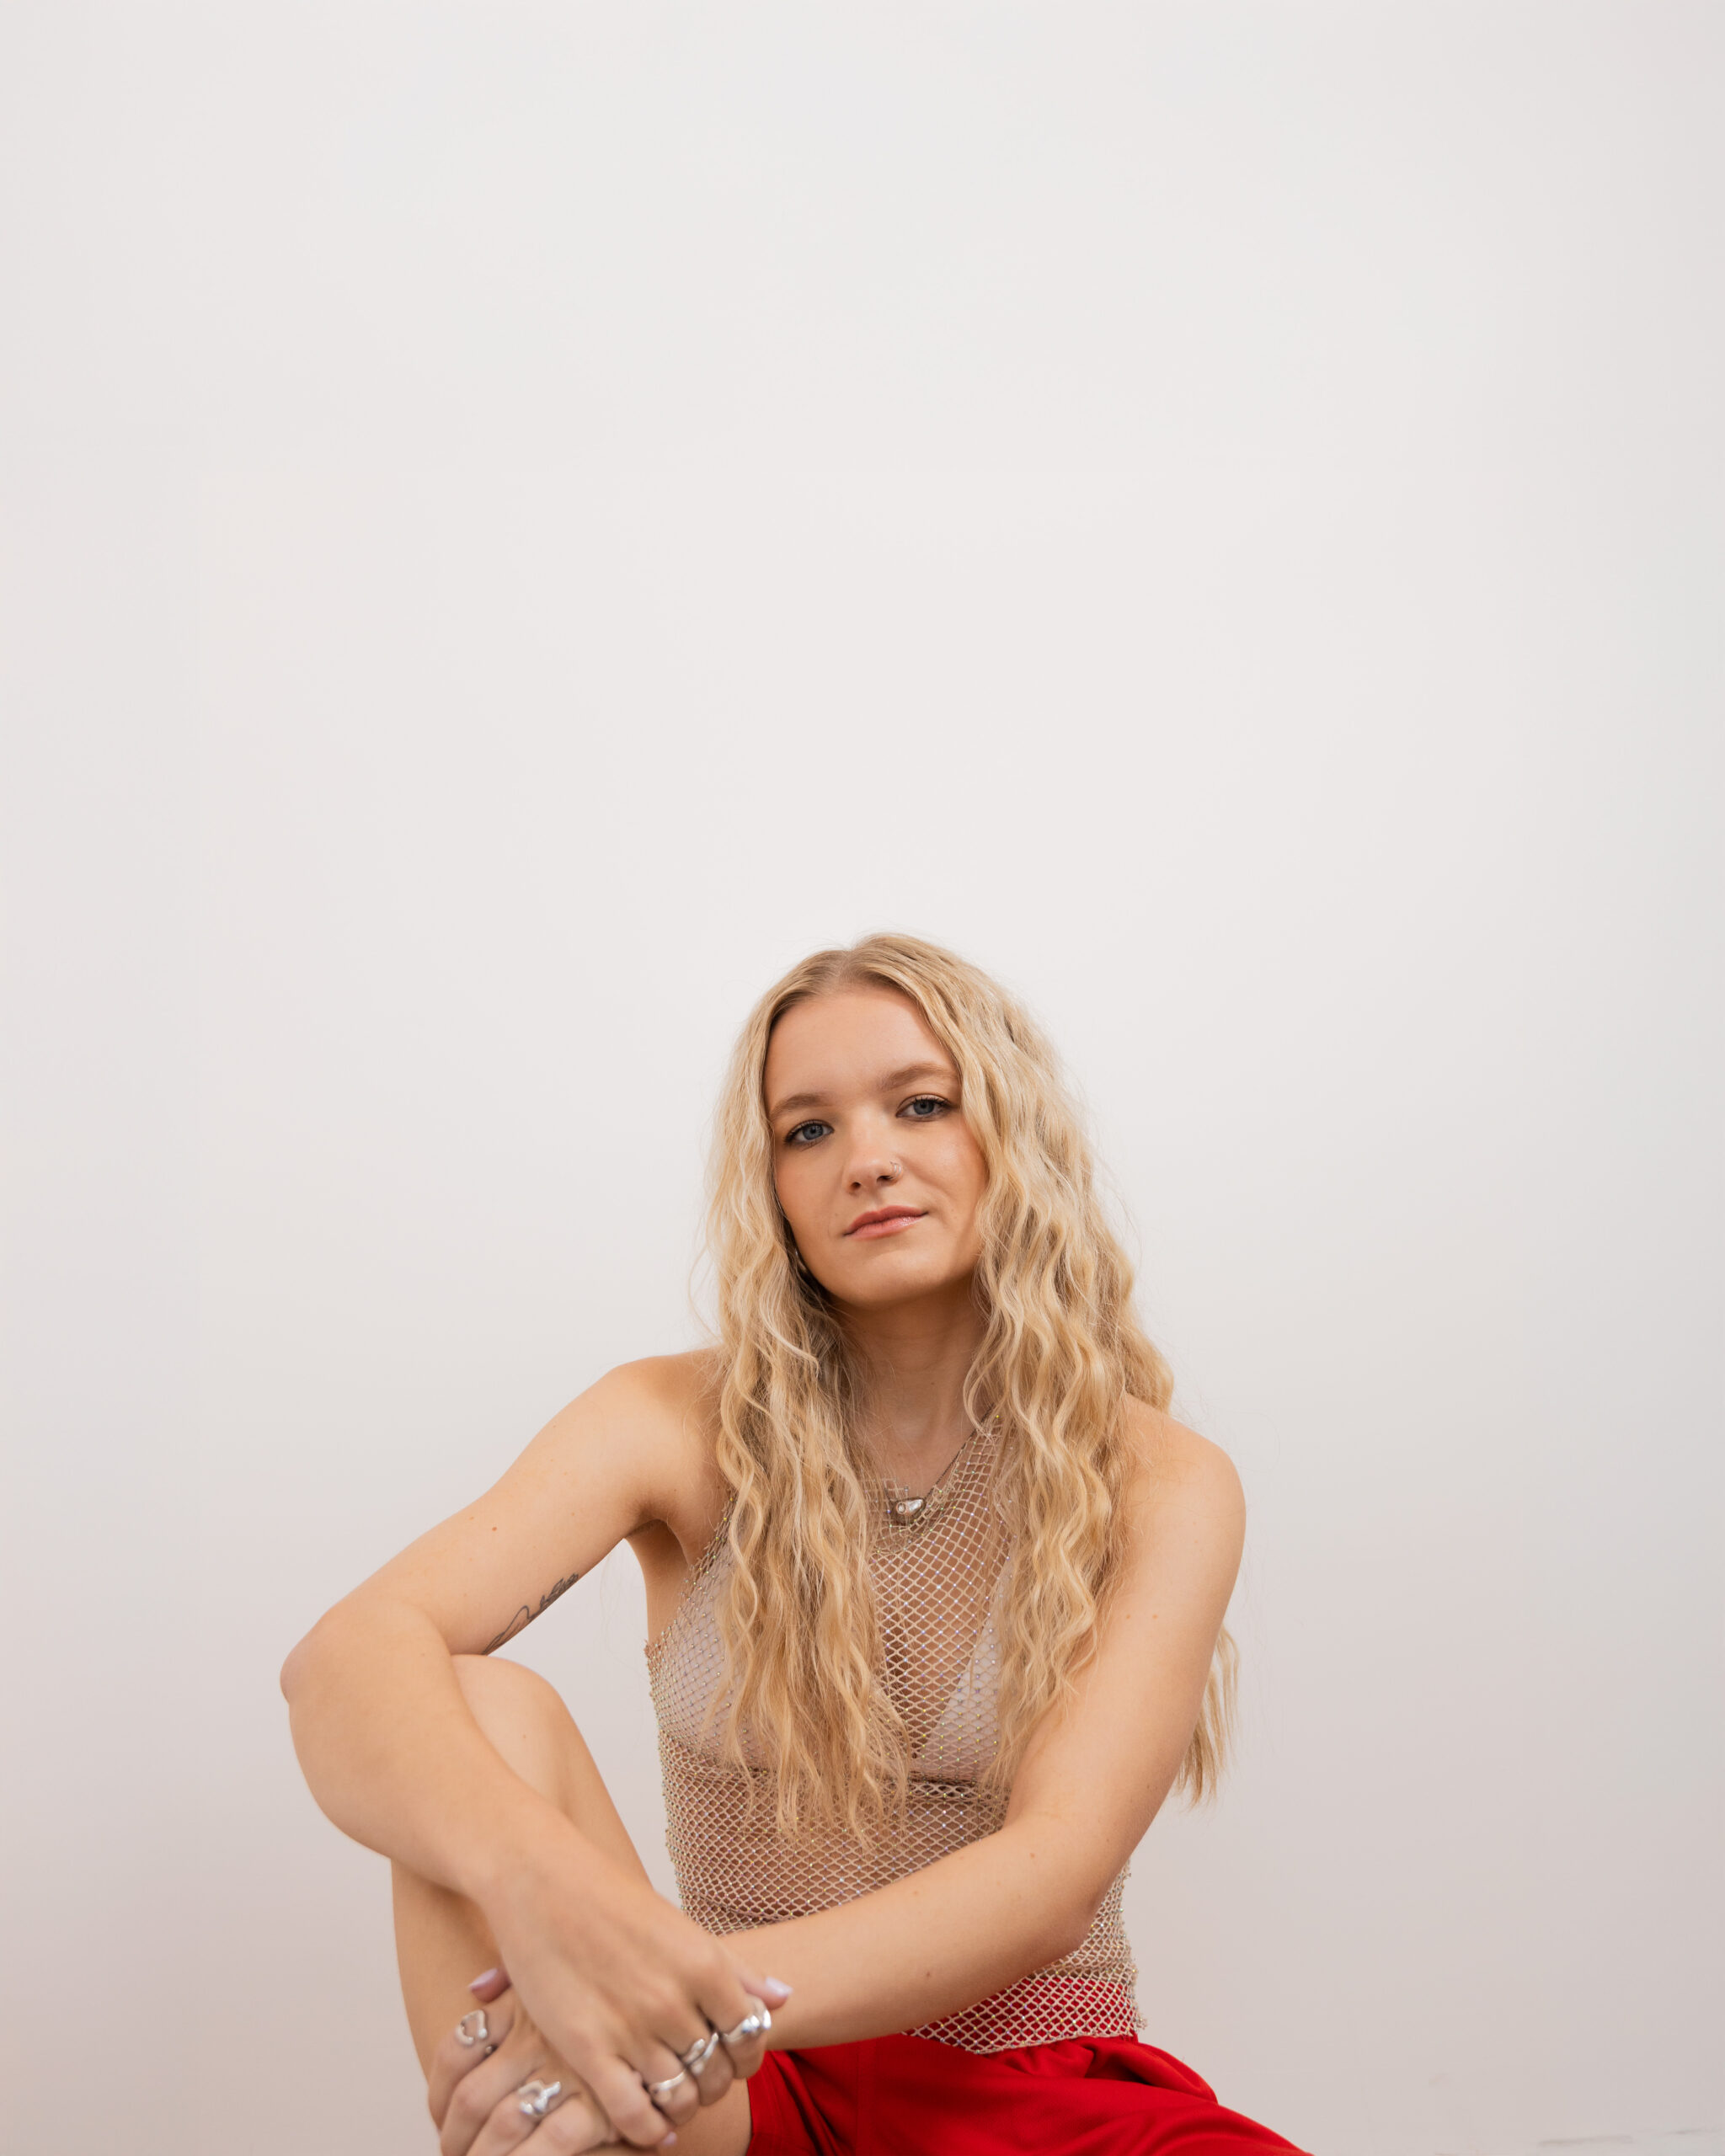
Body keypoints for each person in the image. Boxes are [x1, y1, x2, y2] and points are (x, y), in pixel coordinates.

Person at [281, 933, 1308, 2155]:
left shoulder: (1159, 1481)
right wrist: (547, 1908)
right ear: (770, 1185)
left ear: (1012, 1134)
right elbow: (342, 1661)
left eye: (921, 1105)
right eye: (808, 1130)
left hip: (1024, 2093)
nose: (866, 1159)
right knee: (472, 1706)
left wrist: (669, 2003)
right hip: (733, 2104)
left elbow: (1052, 1875)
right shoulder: (669, 1424)